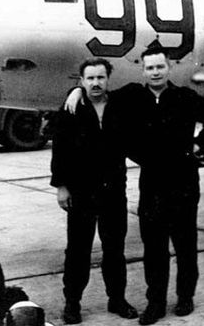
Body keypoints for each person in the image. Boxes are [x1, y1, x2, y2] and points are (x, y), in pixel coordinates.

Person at [65, 43, 204, 325]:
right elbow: (98, 90)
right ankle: (156, 303)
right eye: (150, 67)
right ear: (143, 70)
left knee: (185, 246)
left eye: (160, 67)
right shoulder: (131, 96)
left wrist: (200, 145)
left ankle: (185, 297)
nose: (155, 72)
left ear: (169, 68)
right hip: (152, 184)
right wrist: (75, 90)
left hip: (184, 183)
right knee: (154, 249)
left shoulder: (185, 97)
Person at [50, 58, 138, 324]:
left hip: (113, 191)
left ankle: (117, 300)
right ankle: (72, 304)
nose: (95, 83)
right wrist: (61, 186)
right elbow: (60, 150)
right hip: (81, 192)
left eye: (100, 77)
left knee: (115, 249)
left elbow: (136, 88)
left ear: (108, 79)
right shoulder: (71, 109)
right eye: (90, 79)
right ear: (81, 81)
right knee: (77, 251)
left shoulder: (119, 106)